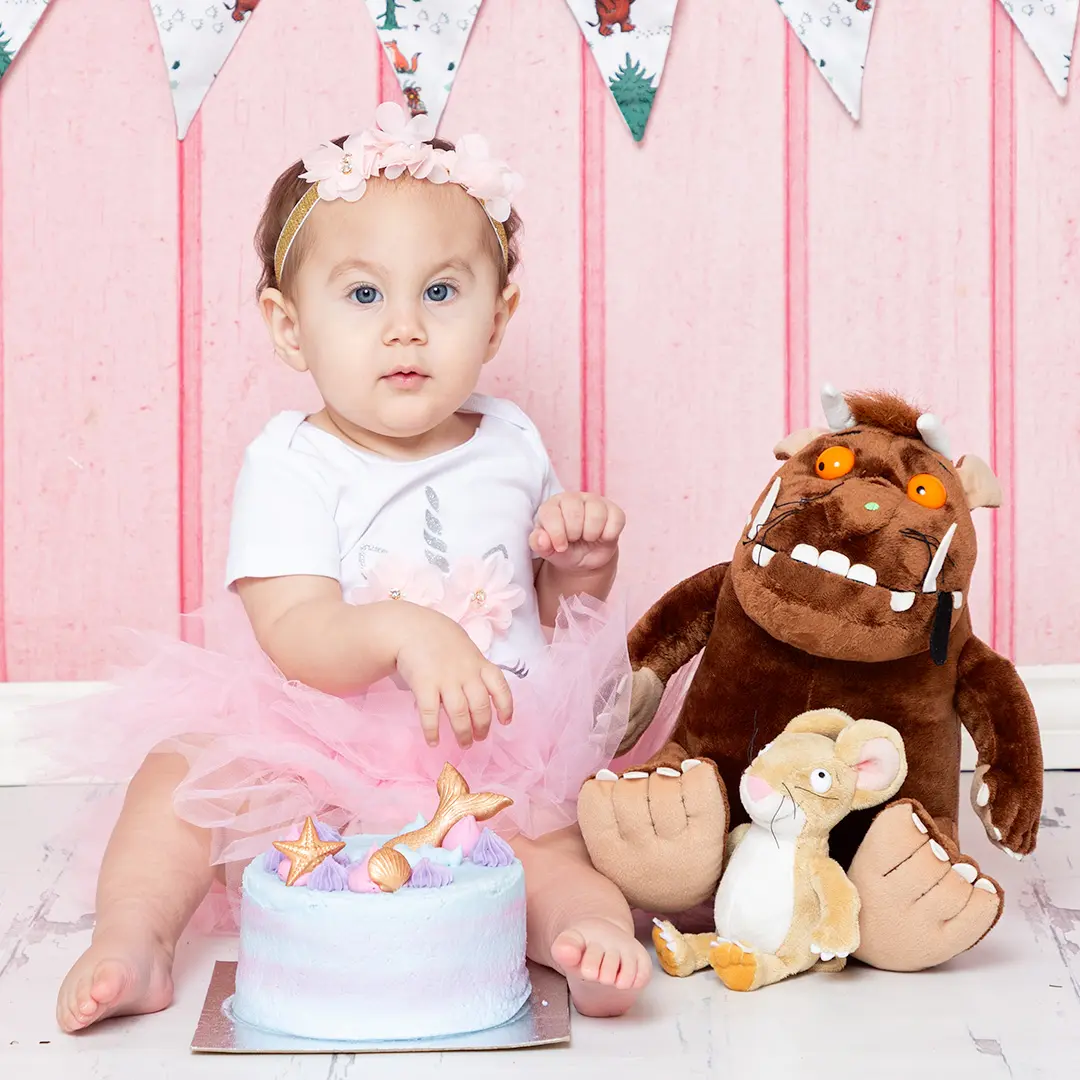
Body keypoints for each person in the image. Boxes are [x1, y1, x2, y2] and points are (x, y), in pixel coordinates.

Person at [53, 103, 650, 1033]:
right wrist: (407, 630)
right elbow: (296, 632)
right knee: (179, 777)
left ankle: (587, 936)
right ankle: (136, 940)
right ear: (289, 328)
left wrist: (580, 567)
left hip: (492, 739)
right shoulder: (294, 461)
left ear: (499, 319)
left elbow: (539, 611)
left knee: (552, 852)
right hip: (323, 747)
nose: (405, 329)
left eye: (442, 294)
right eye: (365, 296)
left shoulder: (512, 440)